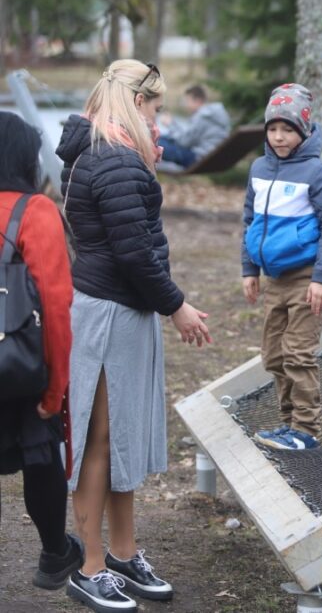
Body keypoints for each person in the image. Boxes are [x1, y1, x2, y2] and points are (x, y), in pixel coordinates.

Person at [56, 59, 212, 612]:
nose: (159, 120)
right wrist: (177, 306)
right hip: (107, 314)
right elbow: (133, 253)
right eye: (156, 108)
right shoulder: (116, 160)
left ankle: (122, 551)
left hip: (114, 308)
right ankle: (91, 565)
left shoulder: (95, 151)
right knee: (99, 440)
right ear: (136, 103)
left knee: (116, 437)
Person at [0, 112, 84, 592]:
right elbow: (56, 305)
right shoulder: (35, 211)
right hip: (22, 363)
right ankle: (55, 555)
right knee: (40, 458)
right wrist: (55, 391)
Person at [242, 83, 322, 451]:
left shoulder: (317, 173)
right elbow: (250, 220)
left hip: (305, 278)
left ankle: (306, 429)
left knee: (299, 353)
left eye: (287, 129)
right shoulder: (259, 168)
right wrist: (249, 270)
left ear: (303, 130)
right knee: (274, 354)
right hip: (273, 279)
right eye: (272, 129)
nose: (279, 137)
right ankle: (287, 425)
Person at [156, 84, 231, 169]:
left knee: (156, 142)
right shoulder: (216, 114)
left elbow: (185, 142)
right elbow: (188, 136)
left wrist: (170, 125)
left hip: (199, 158)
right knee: (163, 138)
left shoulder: (203, 116)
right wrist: (173, 124)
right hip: (212, 157)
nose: (186, 105)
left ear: (198, 100)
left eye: (188, 101)